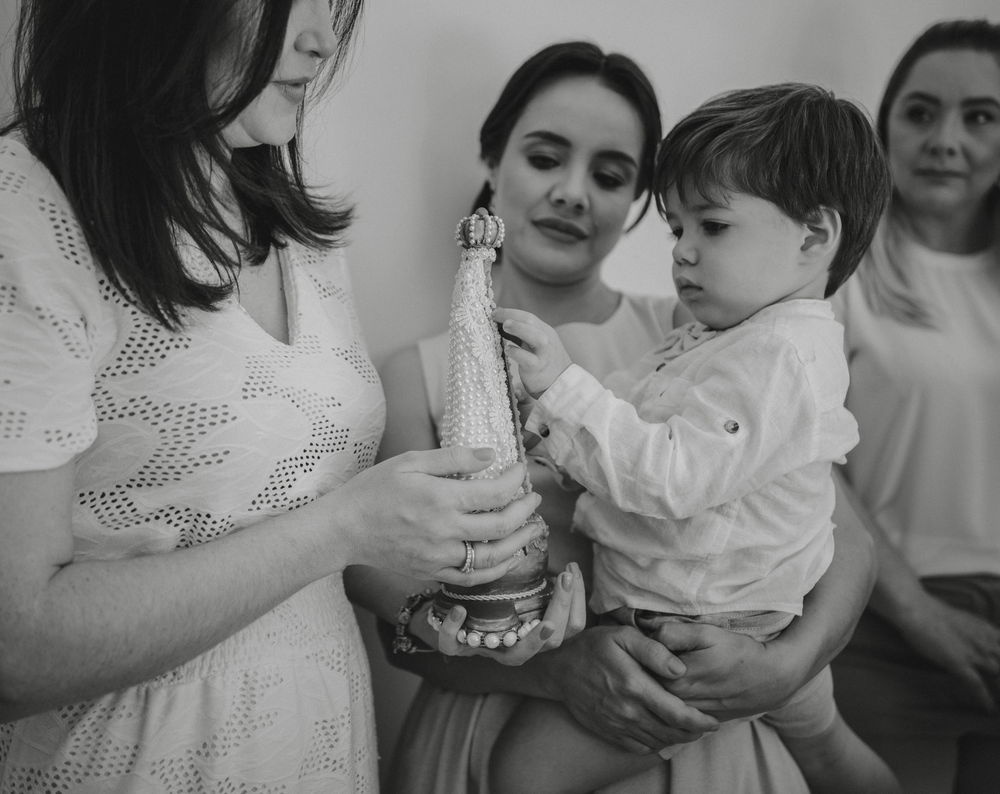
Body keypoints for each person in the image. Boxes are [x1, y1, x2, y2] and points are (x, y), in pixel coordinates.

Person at [0, 0, 551, 791]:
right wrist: (348, 524)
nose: (324, 40)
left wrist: (436, 614)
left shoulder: (294, 231)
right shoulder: (4, 206)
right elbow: (5, 655)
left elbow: (313, 538)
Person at [360, 42, 879, 794]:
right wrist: (556, 672)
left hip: (698, 720)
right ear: (492, 158)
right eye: (545, 157)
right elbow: (395, 614)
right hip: (498, 722)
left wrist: (784, 668)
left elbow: (842, 531)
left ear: (640, 198)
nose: (574, 193)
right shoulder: (419, 373)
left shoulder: (716, 338)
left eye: (610, 175)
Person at [485, 83, 898, 794]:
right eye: (678, 229)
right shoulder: (720, 338)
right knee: (830, 748)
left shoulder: (777, 359)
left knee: (525, 770)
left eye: (714, 226)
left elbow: (670, 477)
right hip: (698, 618)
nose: (684, 253)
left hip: (698, 633)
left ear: (812, 235)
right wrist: (553, 424)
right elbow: (634, 421)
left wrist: (559, 388)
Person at [829, 19, 1000, 794]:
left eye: (980, 116)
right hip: (882, 631)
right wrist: (920, 614)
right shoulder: (836, 279)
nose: (946, 139)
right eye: (921, 113)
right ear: (887, 129)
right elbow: (807, 464)